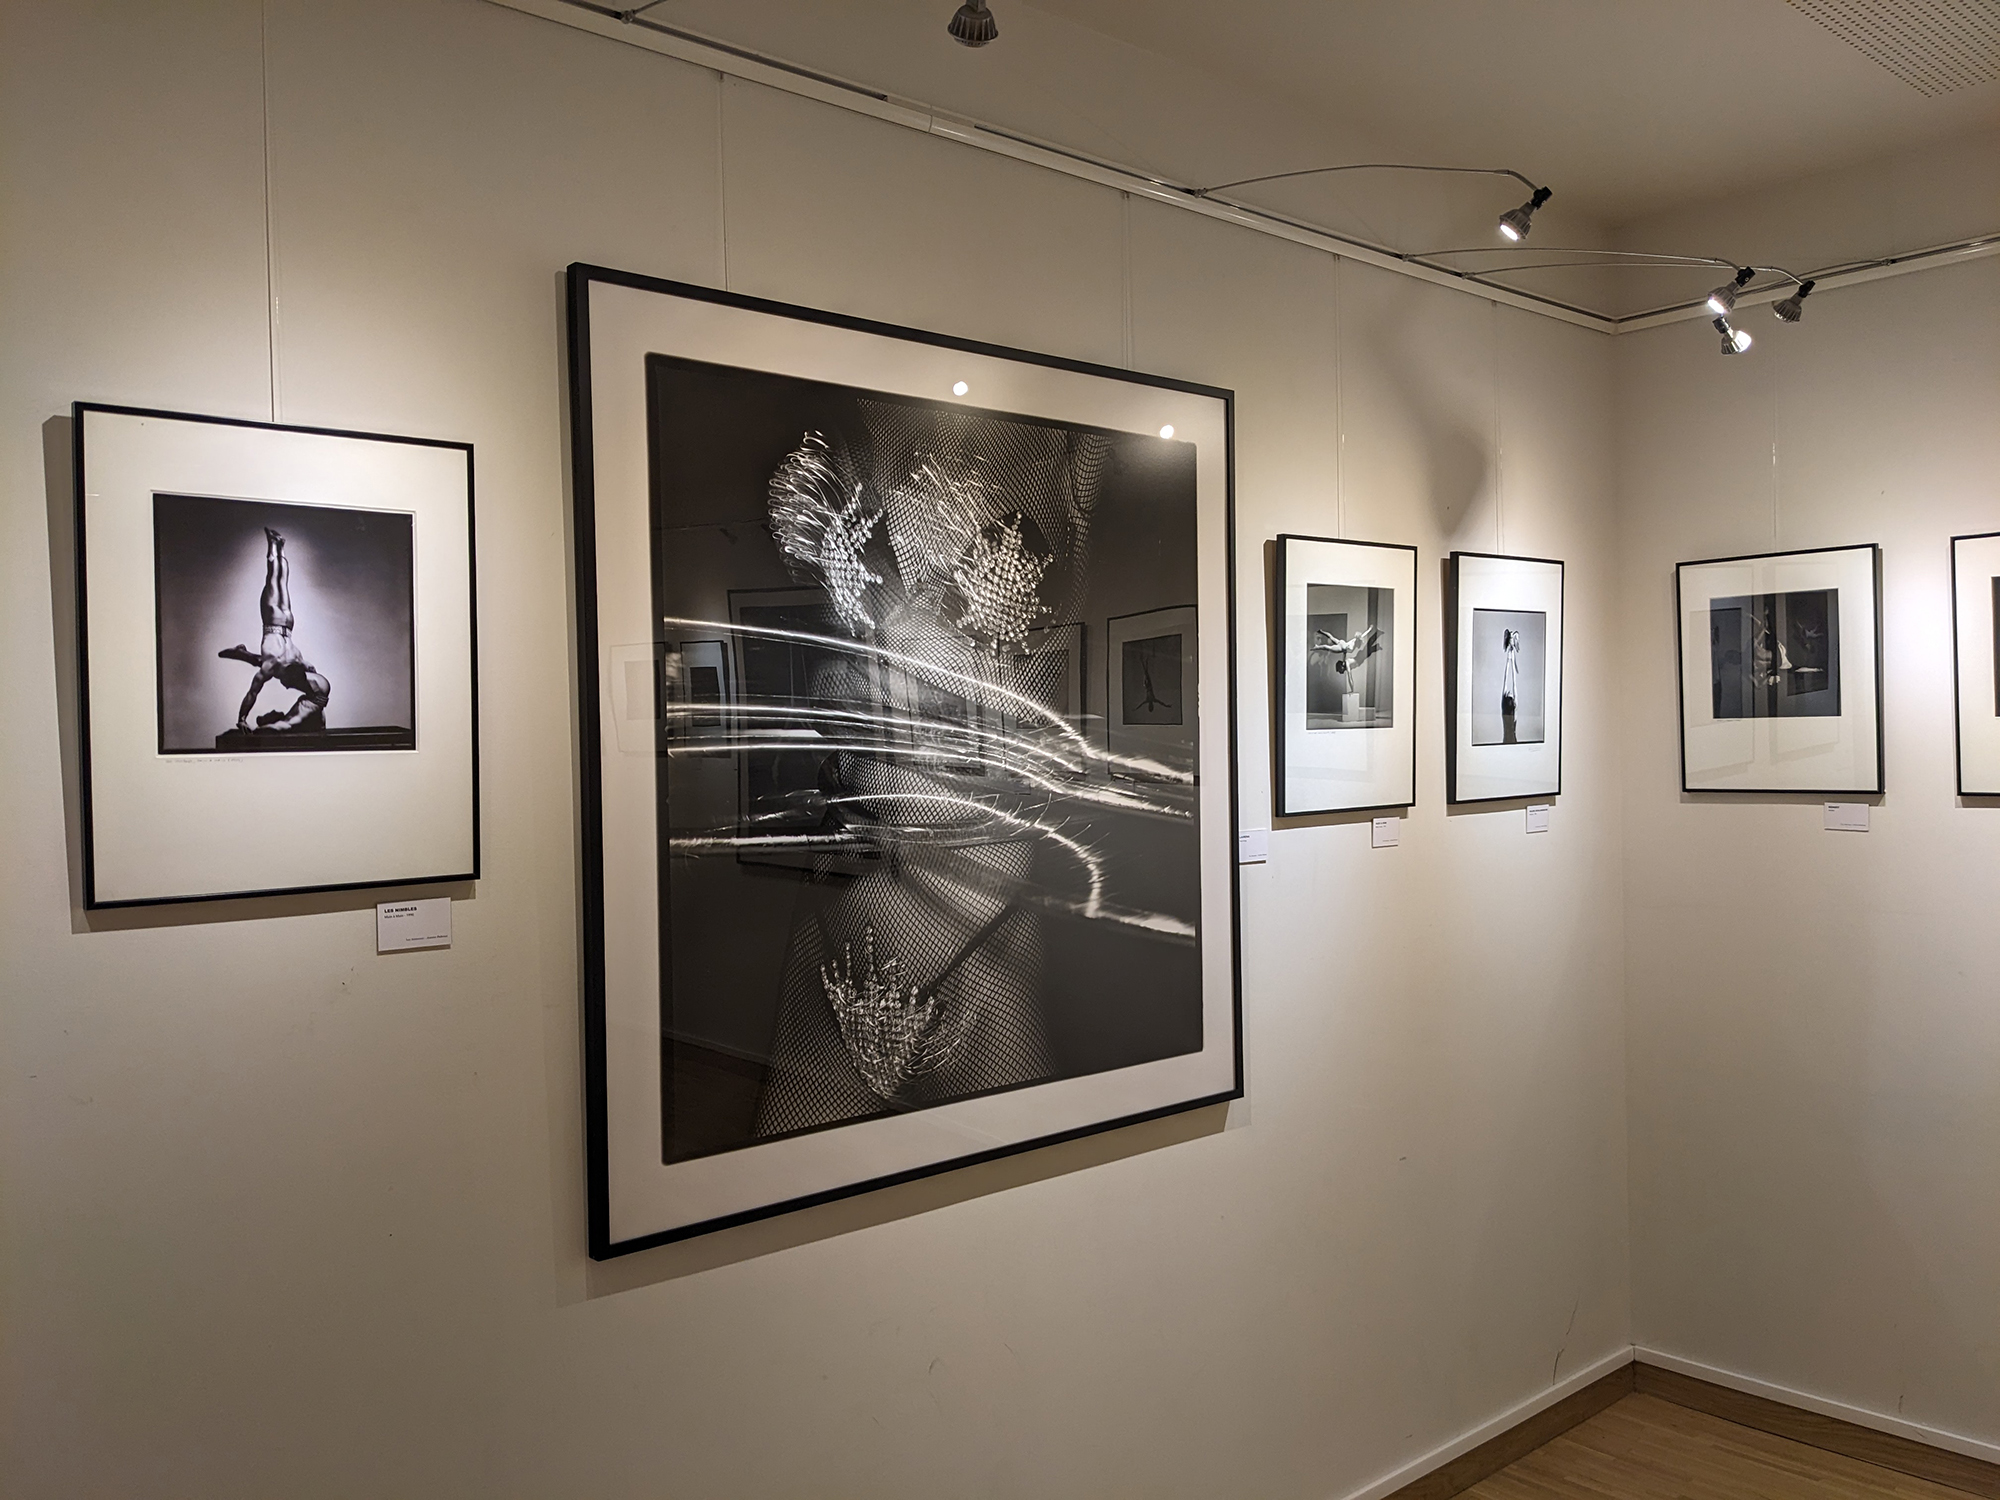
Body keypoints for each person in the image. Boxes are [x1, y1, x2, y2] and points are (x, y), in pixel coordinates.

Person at [218, 527, 331, 732]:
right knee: (274, 579)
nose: (285, 685)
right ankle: (273, 544)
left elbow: (255, 691)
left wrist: (242, 717)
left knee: (281, 581)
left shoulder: (297, 659)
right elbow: (253, 692)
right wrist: (241, 719)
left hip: (287, 622)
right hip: (274, 620)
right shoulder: (279, 664)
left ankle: (279, 546)